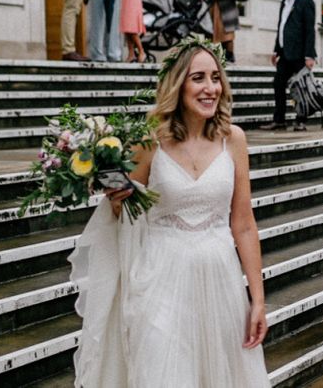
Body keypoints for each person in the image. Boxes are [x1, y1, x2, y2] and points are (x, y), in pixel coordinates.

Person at [70, 34, 270, 387]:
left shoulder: (233, 139)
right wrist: (115, 201)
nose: (211, 88)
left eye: (215, 77)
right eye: (198, 78)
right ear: (177, 85)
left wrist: (257, 299)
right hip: (160, 280)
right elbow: (124, 213)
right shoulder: (149, 141)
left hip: (220, 282)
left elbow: (243, 225)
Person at [259, 0, 316, 132]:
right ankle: (279, 120)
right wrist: (276, 50)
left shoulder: (306, 2)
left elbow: (309, 30)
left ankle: (300, 120)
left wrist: (310, 55)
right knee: (278, 83)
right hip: (285, 53)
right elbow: (281, 27)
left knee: (300, 88)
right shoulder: (284, 3)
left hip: (299, 54)